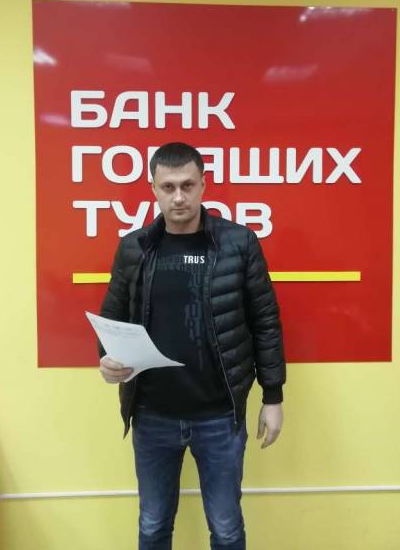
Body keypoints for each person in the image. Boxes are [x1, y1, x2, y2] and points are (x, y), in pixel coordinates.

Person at [99, 141, 286, 550]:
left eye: (187, 185)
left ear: (203, 184)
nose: (179, 197)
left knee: (226, 529)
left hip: (220, 416)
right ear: (153, 188)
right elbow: (112, 319)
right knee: (153, 525)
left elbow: (266, 322)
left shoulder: (239, 243)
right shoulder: (134, 248)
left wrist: (272, 397)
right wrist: (107, 360)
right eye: (168, 187)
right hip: (152, 415)